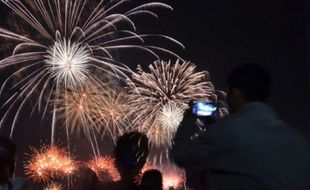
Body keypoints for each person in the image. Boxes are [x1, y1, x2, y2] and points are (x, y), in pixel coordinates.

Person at [171, 63, 310, 190]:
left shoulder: (227, 132)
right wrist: (213, 126)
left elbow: (181, 155)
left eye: (228, 92)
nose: (226, 99)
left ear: (235, 93)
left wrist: (188, 120)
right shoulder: (297, 139)